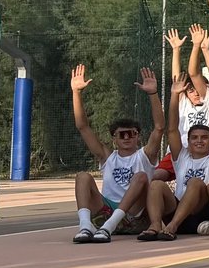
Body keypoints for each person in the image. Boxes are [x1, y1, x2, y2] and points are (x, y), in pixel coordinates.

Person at [69, 64, 165, 243]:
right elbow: (82, 126)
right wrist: (76, 92)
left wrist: (153, 94)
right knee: (82, 176)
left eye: (132, 134)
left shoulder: (145, 155)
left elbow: (159, 128)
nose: (127, 138)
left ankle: (109, 227)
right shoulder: (108, 156)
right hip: (106, 210)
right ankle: (85, 226)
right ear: (114, 138)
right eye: (122, 134)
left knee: (141, 177)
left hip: (134, 214)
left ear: (138, 137)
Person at [148, 67, 209, 241]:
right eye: (194, 138)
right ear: (189, 140)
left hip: (204, 211)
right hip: (179, 210)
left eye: (204, 138)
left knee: (195, 182)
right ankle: (155, 225)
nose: (199, 141)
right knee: (156, 184)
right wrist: (174, 95)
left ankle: (171, 227)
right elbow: (172, 130)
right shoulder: (182, 157)